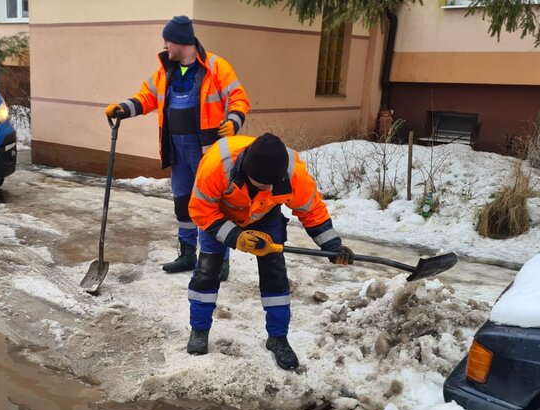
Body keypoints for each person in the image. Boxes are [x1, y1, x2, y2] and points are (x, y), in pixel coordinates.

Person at [185, 133, 355, 371]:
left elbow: (311, 209)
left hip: (265, 216)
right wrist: (235, 236)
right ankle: (199, 330)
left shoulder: (292, 172)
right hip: (219, 216)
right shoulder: (217, 166)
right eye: (263, 185)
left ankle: (277, 338)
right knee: (207, 272)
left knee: (275, 276)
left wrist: (332, 246)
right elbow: (200, 210)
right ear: (246, 171)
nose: (270, 188)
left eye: (274, 184)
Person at [105, 16, 250, 280]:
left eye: (167, 40)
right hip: (177, 148)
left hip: (207, 150)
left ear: (182, 41)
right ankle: (187, 254)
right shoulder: (166, 70)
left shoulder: (215, 67)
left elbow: (238, 98)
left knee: (213, 204)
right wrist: (123, 109)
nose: (164, 45)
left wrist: (233, 121)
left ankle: (219, 261)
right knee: (183, 202)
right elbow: (146, 97)